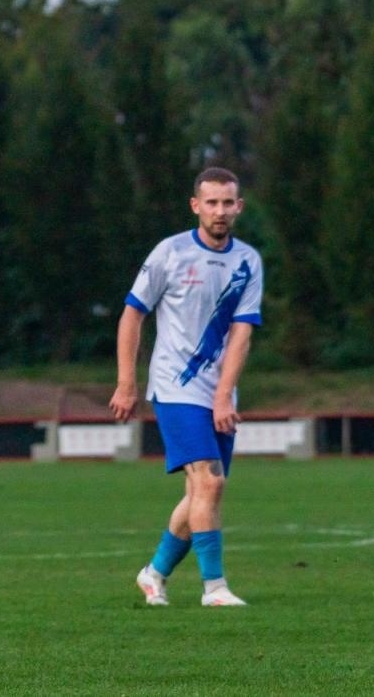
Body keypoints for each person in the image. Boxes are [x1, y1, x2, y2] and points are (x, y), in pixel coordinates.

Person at [109, 166, 264, 608]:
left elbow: (241, 333)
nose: (219, 211)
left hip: (219, 394)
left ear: (239, 207)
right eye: (210, 202)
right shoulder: (170, 253)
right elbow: (132, 315)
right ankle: (214, 588)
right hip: (175, 388)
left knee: (200, 493)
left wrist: (223, 395)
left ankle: (154, 572)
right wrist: (126, 383)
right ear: (195, 205)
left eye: (227, 202)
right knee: (210, 485)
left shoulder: (247, 261)